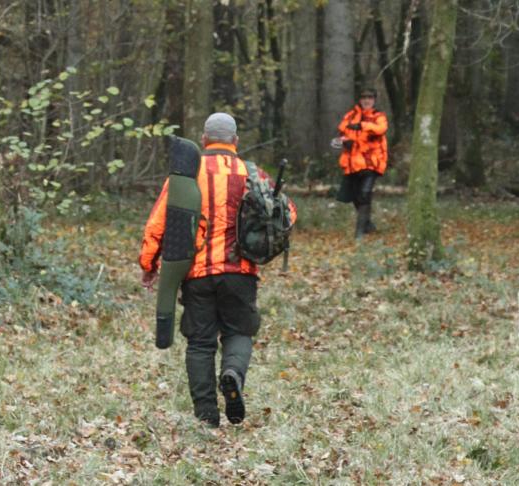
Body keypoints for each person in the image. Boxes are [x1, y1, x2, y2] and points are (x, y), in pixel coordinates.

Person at [139, 113, 297, 427]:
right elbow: (288, 212)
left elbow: (158, 224)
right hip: (241, 270)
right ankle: (232, 374)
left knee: (200, 343)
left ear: (204, 139)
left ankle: (207, 415)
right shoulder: (252, 173)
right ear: (235, 141)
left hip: (196, 273)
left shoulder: (186, 175)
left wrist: (149, 264)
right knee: (239, 331)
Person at [333, 87, 389, 238]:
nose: (367, 100)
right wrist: (343, 142)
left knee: (364, 194)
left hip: (372, 163)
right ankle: (368, 224)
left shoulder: (379, 116)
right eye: (364, 97)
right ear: (360, 99)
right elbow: (340, 135)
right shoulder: (350, 116)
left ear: (374, 100)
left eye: (370, 97)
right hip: (352, 163)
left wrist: (362, 125)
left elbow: (381, 129)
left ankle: (359, 233)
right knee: (355, 197)